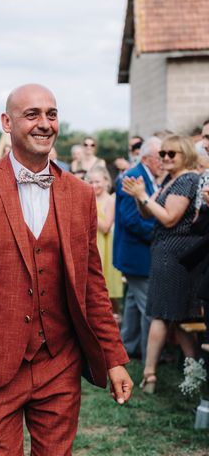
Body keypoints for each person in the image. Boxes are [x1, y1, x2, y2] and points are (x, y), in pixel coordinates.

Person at [0, 84, 131, 455]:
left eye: (51, 114)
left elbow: (92, 286)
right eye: (32, 114)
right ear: (7, 122)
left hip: (60, 363)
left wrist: (113, 358)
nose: (44, 123)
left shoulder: (81, 194)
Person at [123, 135, 201, 393]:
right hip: (164, 252)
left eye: (171, 154)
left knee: (162, 313)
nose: (165, 158)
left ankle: (150, 375)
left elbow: (168, 219)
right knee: (177, 316)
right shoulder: (170, 179)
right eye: (163, 153)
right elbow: (148, 211)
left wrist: (143, 195)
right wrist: (138, 196)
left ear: (185, 155)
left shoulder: (188, 179)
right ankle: (194, 373)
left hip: (176, 254)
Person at [113, 137, 163, 360]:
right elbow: (132, 219)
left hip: (136, 254)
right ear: (145, 158)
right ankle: (149, 355)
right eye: (160, 156)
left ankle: (127, 347)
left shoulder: (148, 175)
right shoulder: (134, 177)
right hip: (137, 255)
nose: (163, 160)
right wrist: (160, 235)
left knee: (133, 304)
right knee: (149, 310)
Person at [87, 166, 123, 319]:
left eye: (98, 181)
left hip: (105, 246)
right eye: (91, 182)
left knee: (107, 289)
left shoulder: (110, 200)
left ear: (106, 181)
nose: (94, 185)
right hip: (89, 243)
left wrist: (90, 208)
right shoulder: (86, 198)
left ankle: (114, 318)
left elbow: (106, 227)